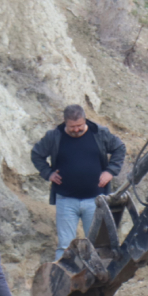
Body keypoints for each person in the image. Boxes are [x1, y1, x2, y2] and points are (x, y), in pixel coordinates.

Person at [30, 104, 127, 260]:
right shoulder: (54, 136)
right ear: (65, 122)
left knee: (97, 246)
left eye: (80, 126)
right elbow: (36, 155)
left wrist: (110, 171)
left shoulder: (100, 133)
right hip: (66, 200)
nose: (76, 130)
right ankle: (63, 281)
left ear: (85, 120)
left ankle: (96, 281)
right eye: (72, 127)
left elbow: (120, 148)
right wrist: (48, 173)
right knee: (65, 246)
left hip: (96, 200)